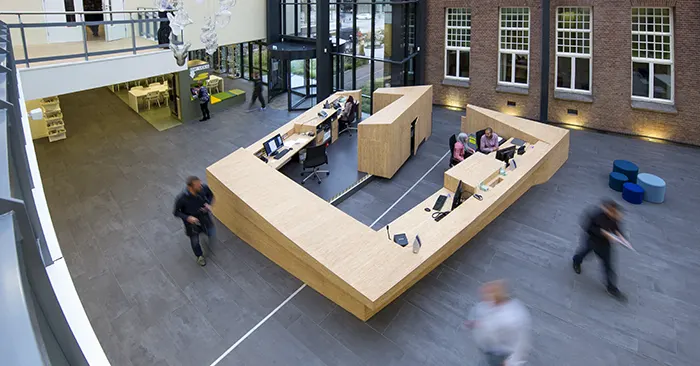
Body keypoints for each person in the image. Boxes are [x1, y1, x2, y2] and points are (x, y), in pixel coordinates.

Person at [572, 200, 628, 301]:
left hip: (605, 245)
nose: (615, 215)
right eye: (612, 212)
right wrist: (603, 233)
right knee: (583, 253)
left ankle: (611, 288)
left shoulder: (614, 218)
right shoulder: (596, 216)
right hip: (593, 242)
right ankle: (576, 261)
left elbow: (616, 229)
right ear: (607, 209)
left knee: (608, 266)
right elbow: (588, 227)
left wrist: (621, 237)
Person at [467, 280, 531, 366]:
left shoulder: (514, 318)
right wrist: (476, 324)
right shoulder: (485, 306)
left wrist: (512, 362)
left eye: (487, 297)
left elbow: (521, 343)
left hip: (503, 354)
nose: (483, 301)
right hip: (489, 349)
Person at [173, 176, 216, 266]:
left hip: (204, 218)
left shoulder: (203, 188)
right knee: (195, 241)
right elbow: (176, 212)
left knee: (211, 232)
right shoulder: (182, 199)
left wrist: (208, 203)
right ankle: (199, 256)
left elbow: (210, 195)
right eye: (197, 185)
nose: (200, 186)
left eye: (200, 183)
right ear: (190, 187)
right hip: (192, 224)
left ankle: (209, 240)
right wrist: (188, 218)